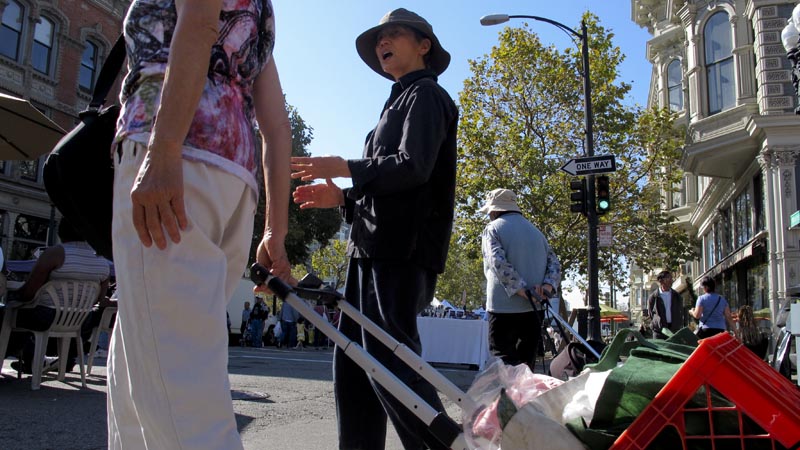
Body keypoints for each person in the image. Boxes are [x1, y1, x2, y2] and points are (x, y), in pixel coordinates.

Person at [107, 0, 291, 448]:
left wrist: (163, 148)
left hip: (179, 155)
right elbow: (275, 123)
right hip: (233, 177)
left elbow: (201, 22)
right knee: (140, 357)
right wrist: (274, 232)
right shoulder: (259, 9)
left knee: (179, 385)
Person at [291, 8, 458, 449]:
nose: (384, 42)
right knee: (354, 366)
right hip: (371, 248)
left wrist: (347, 168)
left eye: (395, 34)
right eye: (380, 36)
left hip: (400, 251)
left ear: (423, 45)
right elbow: (391, 184)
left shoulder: (427, 96)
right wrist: (343, 197)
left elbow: (413, 168)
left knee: (390, 363)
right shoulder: (397, 101)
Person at [1, 218, 110, 373]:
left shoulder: (55, 253)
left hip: (46, 317)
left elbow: (29, 293)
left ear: (61, 233)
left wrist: (12, 296)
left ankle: (29, 356)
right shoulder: (102, 262)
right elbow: (99, 299)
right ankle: (56, 358)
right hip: (81, 321)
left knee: (8, 314)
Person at [479, 189, 561, 371]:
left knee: (502, 359)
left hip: (503, 307)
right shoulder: (537, 232)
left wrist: (522, 291)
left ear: (493, 211)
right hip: (535, 307)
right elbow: (554, 263)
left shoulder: (492, 229)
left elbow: (497, 262)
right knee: (527, 362)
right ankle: (525, 398)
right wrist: (546, 288)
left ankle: (507, 398)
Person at [646, 270, 685, 339]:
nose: (671, 280)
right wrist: (657, 323)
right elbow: (651, 313)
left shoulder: (676, 296)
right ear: (661, 281)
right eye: (668, 278)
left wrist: (680, 324)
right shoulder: (653, 297)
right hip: (659, 331)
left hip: (673, 330)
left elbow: (681, 311)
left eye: (671, 278)